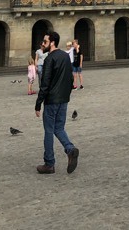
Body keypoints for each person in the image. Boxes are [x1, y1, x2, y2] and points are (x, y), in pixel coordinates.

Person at [34, 31, 79, 175]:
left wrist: (38, 103)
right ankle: (70, 149)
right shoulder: (65, 57)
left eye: (45, 41)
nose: (42, 44)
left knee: (49, 130)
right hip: (63, 100)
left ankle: (49, 164)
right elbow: (70, 79)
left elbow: (45, 83)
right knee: (59, 128)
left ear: (52, 42)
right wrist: (66, 95)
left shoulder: (49, 59)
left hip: (52, 100)